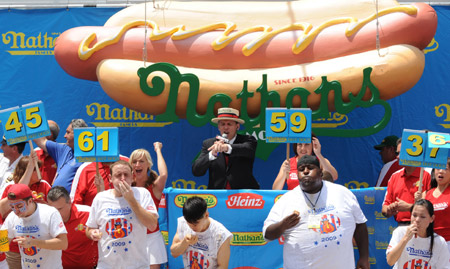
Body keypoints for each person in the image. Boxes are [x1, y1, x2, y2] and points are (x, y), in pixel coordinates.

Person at [263, 155, 369, 268]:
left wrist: (364, 257)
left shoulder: (342, 193)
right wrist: (282, 225)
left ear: (320, 173)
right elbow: (267, 234)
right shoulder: (286, 200)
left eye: (310, 168)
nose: (305, 171)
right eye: (301, 169)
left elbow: (360, 225)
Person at [85, 160, 159, 268]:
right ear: (110, 178)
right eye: (118, 175)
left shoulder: (142, 194)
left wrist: (131, 200)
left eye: (126, 175)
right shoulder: (100, 198)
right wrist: (92, 233)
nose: (123, 178)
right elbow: (89, 228)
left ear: (132, 177)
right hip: (107, 265)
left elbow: (152, 225)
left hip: (137, 265)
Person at [1, 184, 68, 269]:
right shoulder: (12, 217)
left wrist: (33, 242)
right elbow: (2, 244)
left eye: (19, 206)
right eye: (12, 207)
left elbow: (63, 243)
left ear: (30, 201)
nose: (16, 211)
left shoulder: (50, 213)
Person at [192, 107, 259, 189]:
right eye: (222, 124)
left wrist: (226, 147)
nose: (226, 127)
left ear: (237, 126)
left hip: (244, 195)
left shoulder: (248, 140)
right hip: (218, 196)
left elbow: (248, 150)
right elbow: (196, 171)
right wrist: (211, 154)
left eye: (229, 124)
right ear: (218, 127)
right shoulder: (209, 144)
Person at [130, 142, 168, 269]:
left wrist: (158, 150)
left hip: (151, 238)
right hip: (132, 237)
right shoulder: (127, 186)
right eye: (134, 162)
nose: (137, 165)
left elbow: (163, 175)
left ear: (148, 165)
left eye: (141, 161)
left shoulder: (155, 186)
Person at [170, 196, 232, 268]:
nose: (192, 227)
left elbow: (223, 266)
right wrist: (185, 242)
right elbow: (174, 253)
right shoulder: (183, 223)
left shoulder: (221, 234)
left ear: (206, 215)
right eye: (189, 223)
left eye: (196, 224)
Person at [386, 199, 450, 268]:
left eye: (422, 217)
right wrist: (405, 239)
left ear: (432, 219)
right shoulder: (400, 232)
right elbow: (390, 261)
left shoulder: (439, 242)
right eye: (414, 215)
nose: (417, 220)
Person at [382, 139, 431, 224]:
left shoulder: (428, 175)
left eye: (401, 153)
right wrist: (390, 209)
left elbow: (434, 207)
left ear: (413, 153)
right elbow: (385, 208)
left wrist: (409, 207)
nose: (397, 157)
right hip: (401, 227)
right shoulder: (394, 177)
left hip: (423, 228)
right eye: (397, 153)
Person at [47, 186, 98, 269]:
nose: (57, 213)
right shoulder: (47, 218)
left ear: (70, 202)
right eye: (53, 209)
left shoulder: (88, 213)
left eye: (60, 209)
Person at [33, 119, 88, 192]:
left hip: (72, 201)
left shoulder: (89, 157)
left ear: (78, 134)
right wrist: (31, 121)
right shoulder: (62, 149)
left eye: (68, 132)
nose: (65, 136)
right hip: (53, 200)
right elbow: (40, 140)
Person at [272, 133, 338, 190]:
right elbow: (275, 190)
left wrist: (318, 153)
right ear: (296, 146)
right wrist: (284, 172)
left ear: (313, 145)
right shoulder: (288, 163)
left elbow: (334, 176)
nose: (303, 148)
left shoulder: (320, 161)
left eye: (307, 144)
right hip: (294, 202)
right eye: (300, 144)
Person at [424, 158, 450, 252]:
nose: (441, 171)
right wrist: (417, 202)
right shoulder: (426, 194)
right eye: (438, 168)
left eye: (445, 169)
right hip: (431, 242)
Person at [35, 120, 60, 185]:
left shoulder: (61, 154)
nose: (38, 134)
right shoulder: (35, 153)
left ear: (50, 134)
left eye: (41, 132)